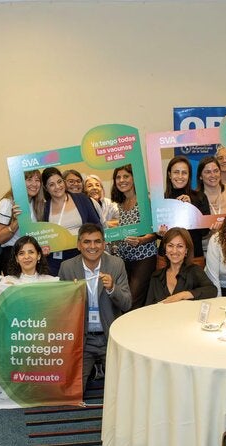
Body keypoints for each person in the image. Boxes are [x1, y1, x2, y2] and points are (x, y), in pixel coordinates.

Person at [58, 223, 131, 392]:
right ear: (78, 245)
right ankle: (93, 372)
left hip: (110, 338)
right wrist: (71, 295)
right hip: (83, 340)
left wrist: (113, 288)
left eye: (97, 241)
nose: (92, 246)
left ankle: (101, 372)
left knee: (123, 391)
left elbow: (127, 304)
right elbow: (61, 311)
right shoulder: (67, 267)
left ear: (104, 244)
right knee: (72, 394)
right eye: (87, 242)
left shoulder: (116, 264)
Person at [108, 164, 157, 309]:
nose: (121, 180)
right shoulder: (121, 203)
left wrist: (141, 240)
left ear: (134, 179)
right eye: (118, 177)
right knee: (124, 298)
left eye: (126, 176)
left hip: (143, 258)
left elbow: (155, 232)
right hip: (124, 259)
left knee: (133, 301)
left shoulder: (144, 201)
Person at [41, 167, 100, 275]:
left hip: (82, 255)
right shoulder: (44, 208)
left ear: (64, 182)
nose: (57, 187)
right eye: (51, 184)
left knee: (83, 290)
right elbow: (43, 236)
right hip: (56, 260)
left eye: (59, 182)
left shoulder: (81, 199)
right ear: (46, 188)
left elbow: (96, 225)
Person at [145, 228, 216, 305]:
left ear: (186, 250)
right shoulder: (156, 276)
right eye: (170, 246)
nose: (174, 251)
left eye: (180, 246)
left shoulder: (194, 270)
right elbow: (148, 306)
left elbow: (212, 290)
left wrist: (183, 295)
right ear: (165, 248)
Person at [0, 170, 45, 270]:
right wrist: (16, 222)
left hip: (33, 256)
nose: (34, 184)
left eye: (37, 180)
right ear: (19, 182)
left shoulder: (37, 204)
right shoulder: (7, 203)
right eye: (29, 180)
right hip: (13, 256)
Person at [163, 156, 210, 264]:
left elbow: (205, 231)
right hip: (167, 258)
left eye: (184, 173)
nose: (180, 176)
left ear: (189, 176)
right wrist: (160, 233)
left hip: (194, 257)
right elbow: (157, 232)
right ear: (169, 175)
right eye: (176, 172)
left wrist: (192, 208)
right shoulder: (162, 199)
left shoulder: (200, 197)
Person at [196, 155, 226, 253]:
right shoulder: (195, 198)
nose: (213, 175)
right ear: (200, 176)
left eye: (216, 171)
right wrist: (209, 233)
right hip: (206, 250)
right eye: (207, 172)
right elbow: (195, 233)